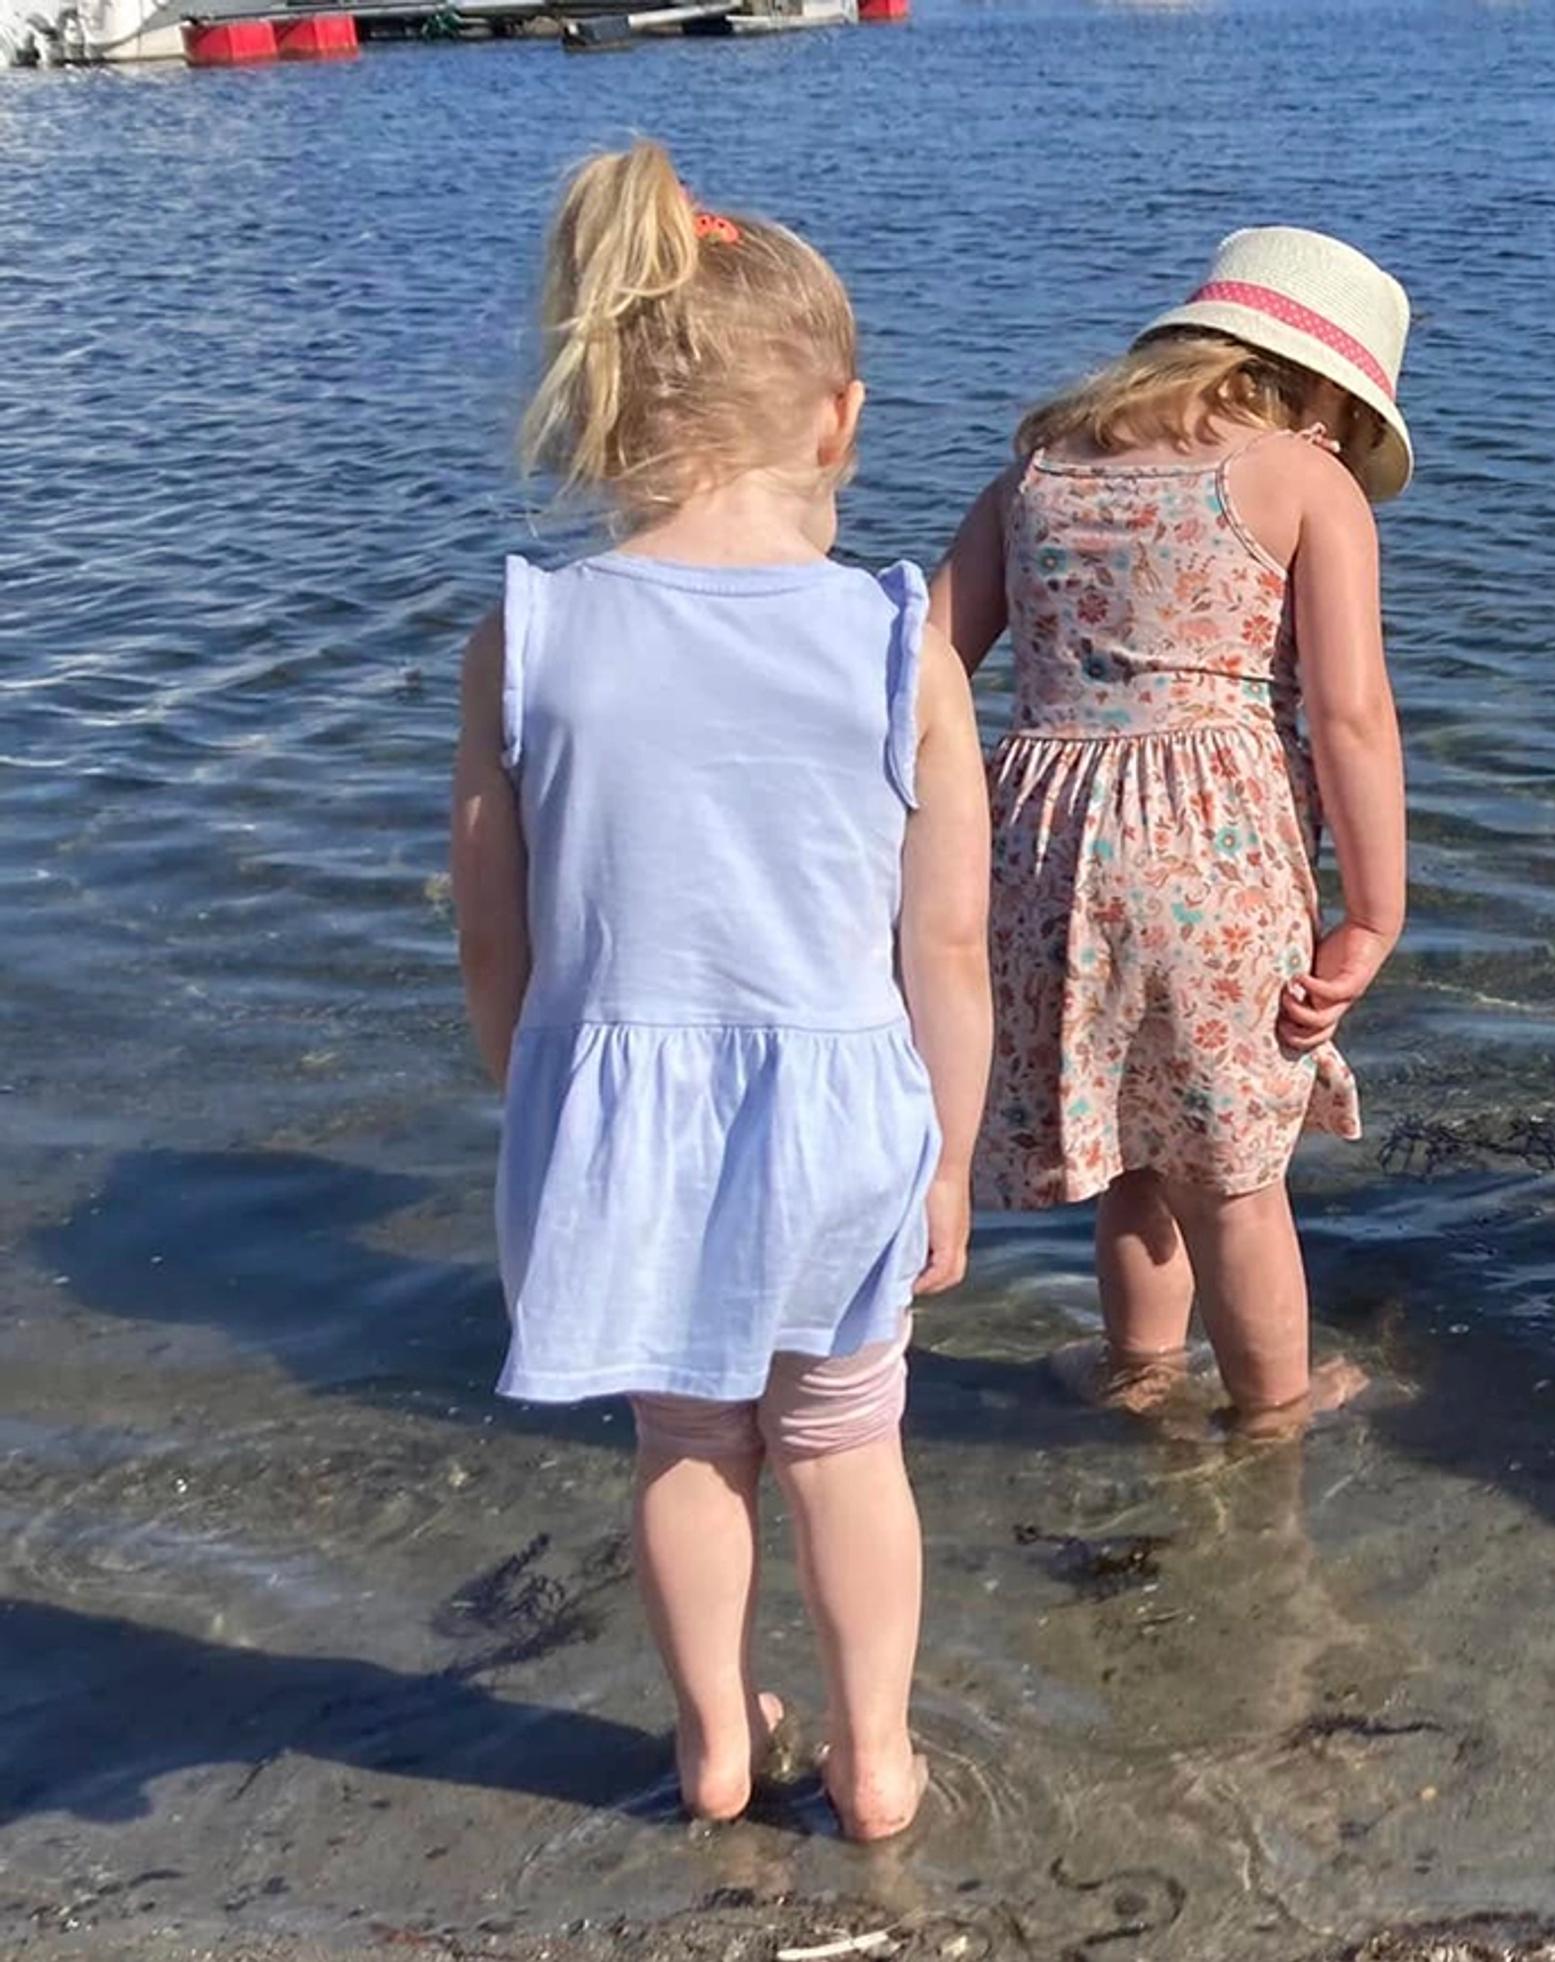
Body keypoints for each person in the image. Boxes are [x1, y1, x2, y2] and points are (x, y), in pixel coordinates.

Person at [450, 139, 985, 1838]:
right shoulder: (900, 639)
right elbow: (949, 948)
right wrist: (952, 1153)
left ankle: (710, 1746)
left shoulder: (528, 634)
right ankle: (880, 1755)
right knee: (843, 1442)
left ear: (607, 404)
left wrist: (532, 1091)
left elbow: (490, 924)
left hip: (617, 1111)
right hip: (840, 1109)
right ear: (840, 415)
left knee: (688, 1442)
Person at [944, 229, 1412, 1437]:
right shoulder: (1305, 481)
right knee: (1237, 1176)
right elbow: (1352, 717)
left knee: (1134, 1147)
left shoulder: (1038, 470)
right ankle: (1274, 1419)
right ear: (1324, 396)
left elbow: (924, 674)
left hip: (1039, 852)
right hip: (1211, 854)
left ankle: (1140, 1377)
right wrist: (1372, 914)